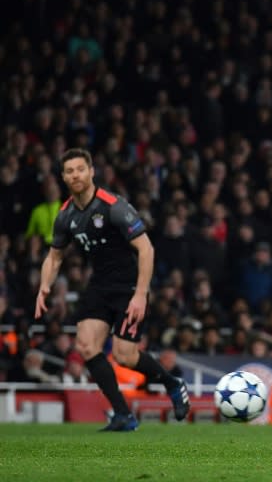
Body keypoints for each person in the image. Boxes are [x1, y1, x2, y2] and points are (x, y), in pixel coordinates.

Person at [34, 148, 190, 431]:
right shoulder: (66, 215)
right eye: (69, 171)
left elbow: (146, 249)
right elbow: (54, 256)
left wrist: (141, 294)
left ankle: (172, 382)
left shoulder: (113, 205)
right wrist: (44, 286)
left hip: (129, 285)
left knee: (124, 356)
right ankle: (123, 415)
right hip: (99, 286)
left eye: (80, 169)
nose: (75, 175)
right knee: (85, 346)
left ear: (91, 171)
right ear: (63, 177)